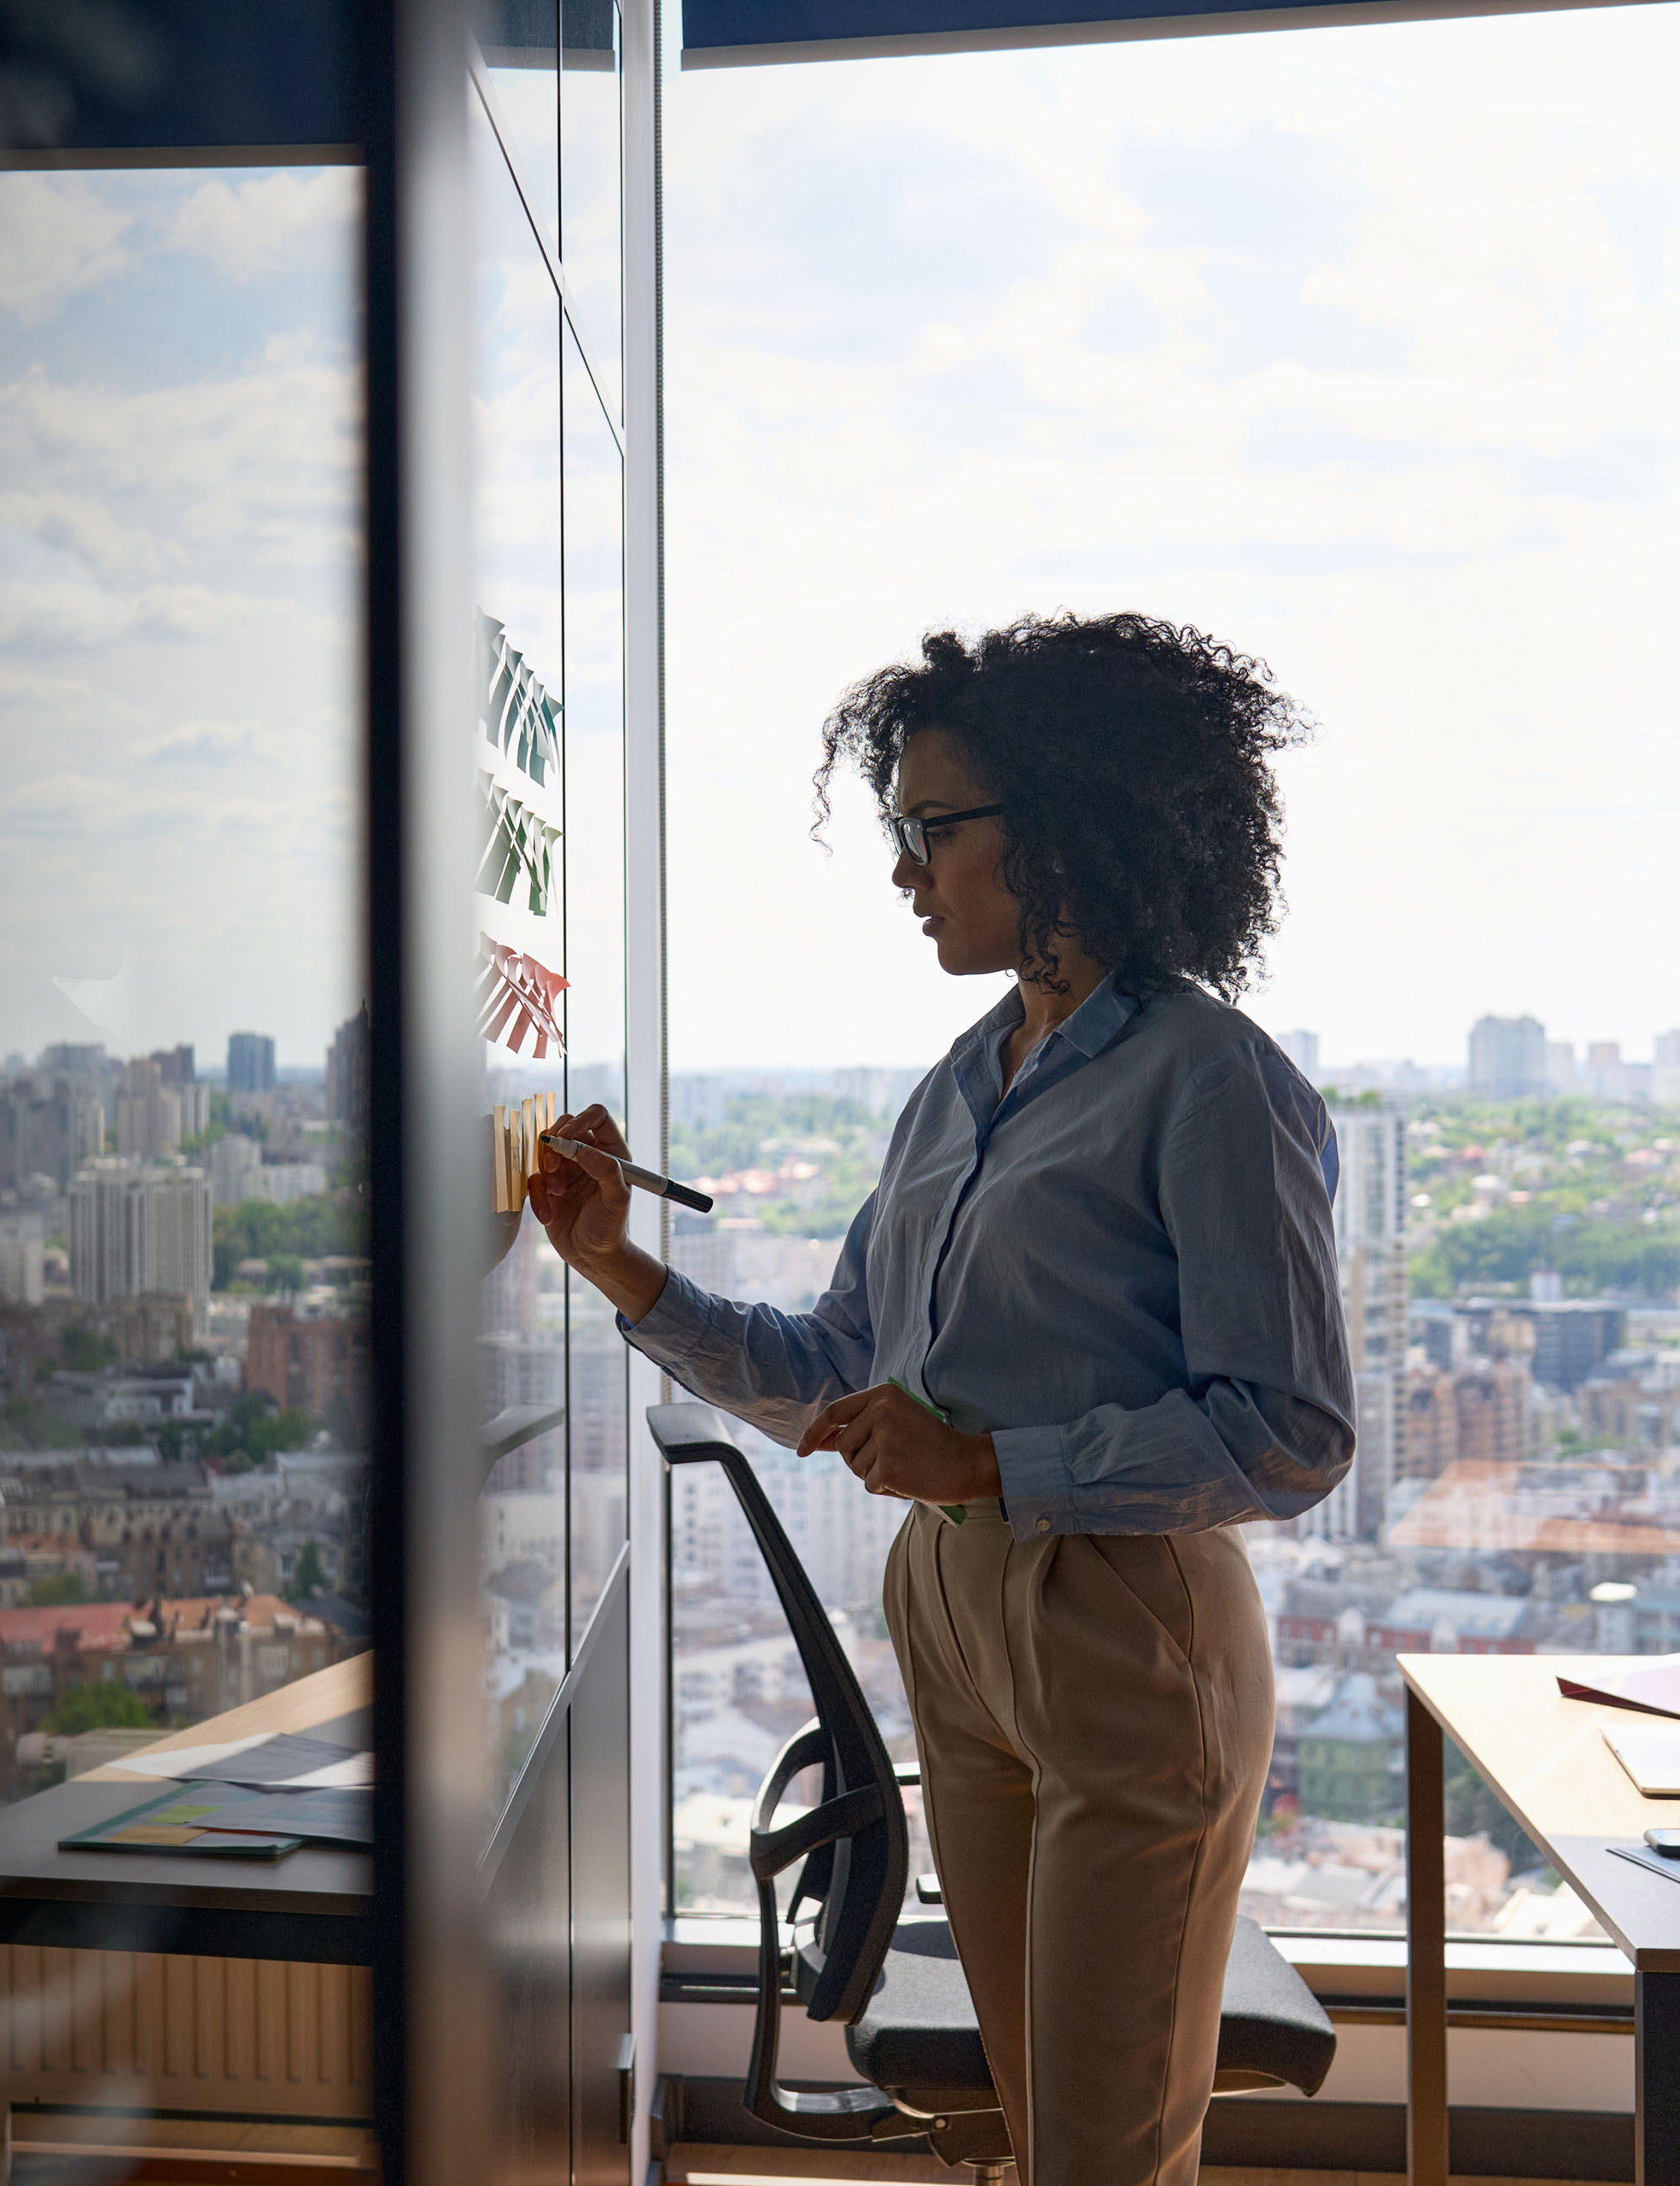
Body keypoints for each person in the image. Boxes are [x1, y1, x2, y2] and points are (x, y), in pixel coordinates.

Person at [529, 611, 1353, 2186]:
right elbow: (837, 1365)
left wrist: (989, 1459)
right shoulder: (962, 1083)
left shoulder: (1211, 1078)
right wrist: (623, 1268)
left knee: (1106, 2153)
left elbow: (1291, 1429)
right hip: (958, 1624)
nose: (906, 873)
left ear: (1054, 828)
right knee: (1048, 2131)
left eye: (930, 830)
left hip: (1123, 1628)